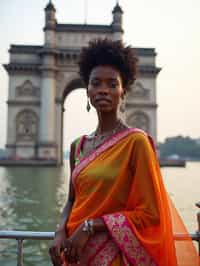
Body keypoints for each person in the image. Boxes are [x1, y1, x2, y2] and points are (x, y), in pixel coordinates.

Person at [49, 39, 199, 266]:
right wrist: (60, 231)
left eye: (112, 84)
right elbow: (71, 200)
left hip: (112, 256)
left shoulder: (136, 142)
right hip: (73, 254)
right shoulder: (77, 146)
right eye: (96, 83)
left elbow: (151, 213)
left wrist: (89, 226)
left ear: (123, 90)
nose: (103, 90)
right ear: (87, 90)